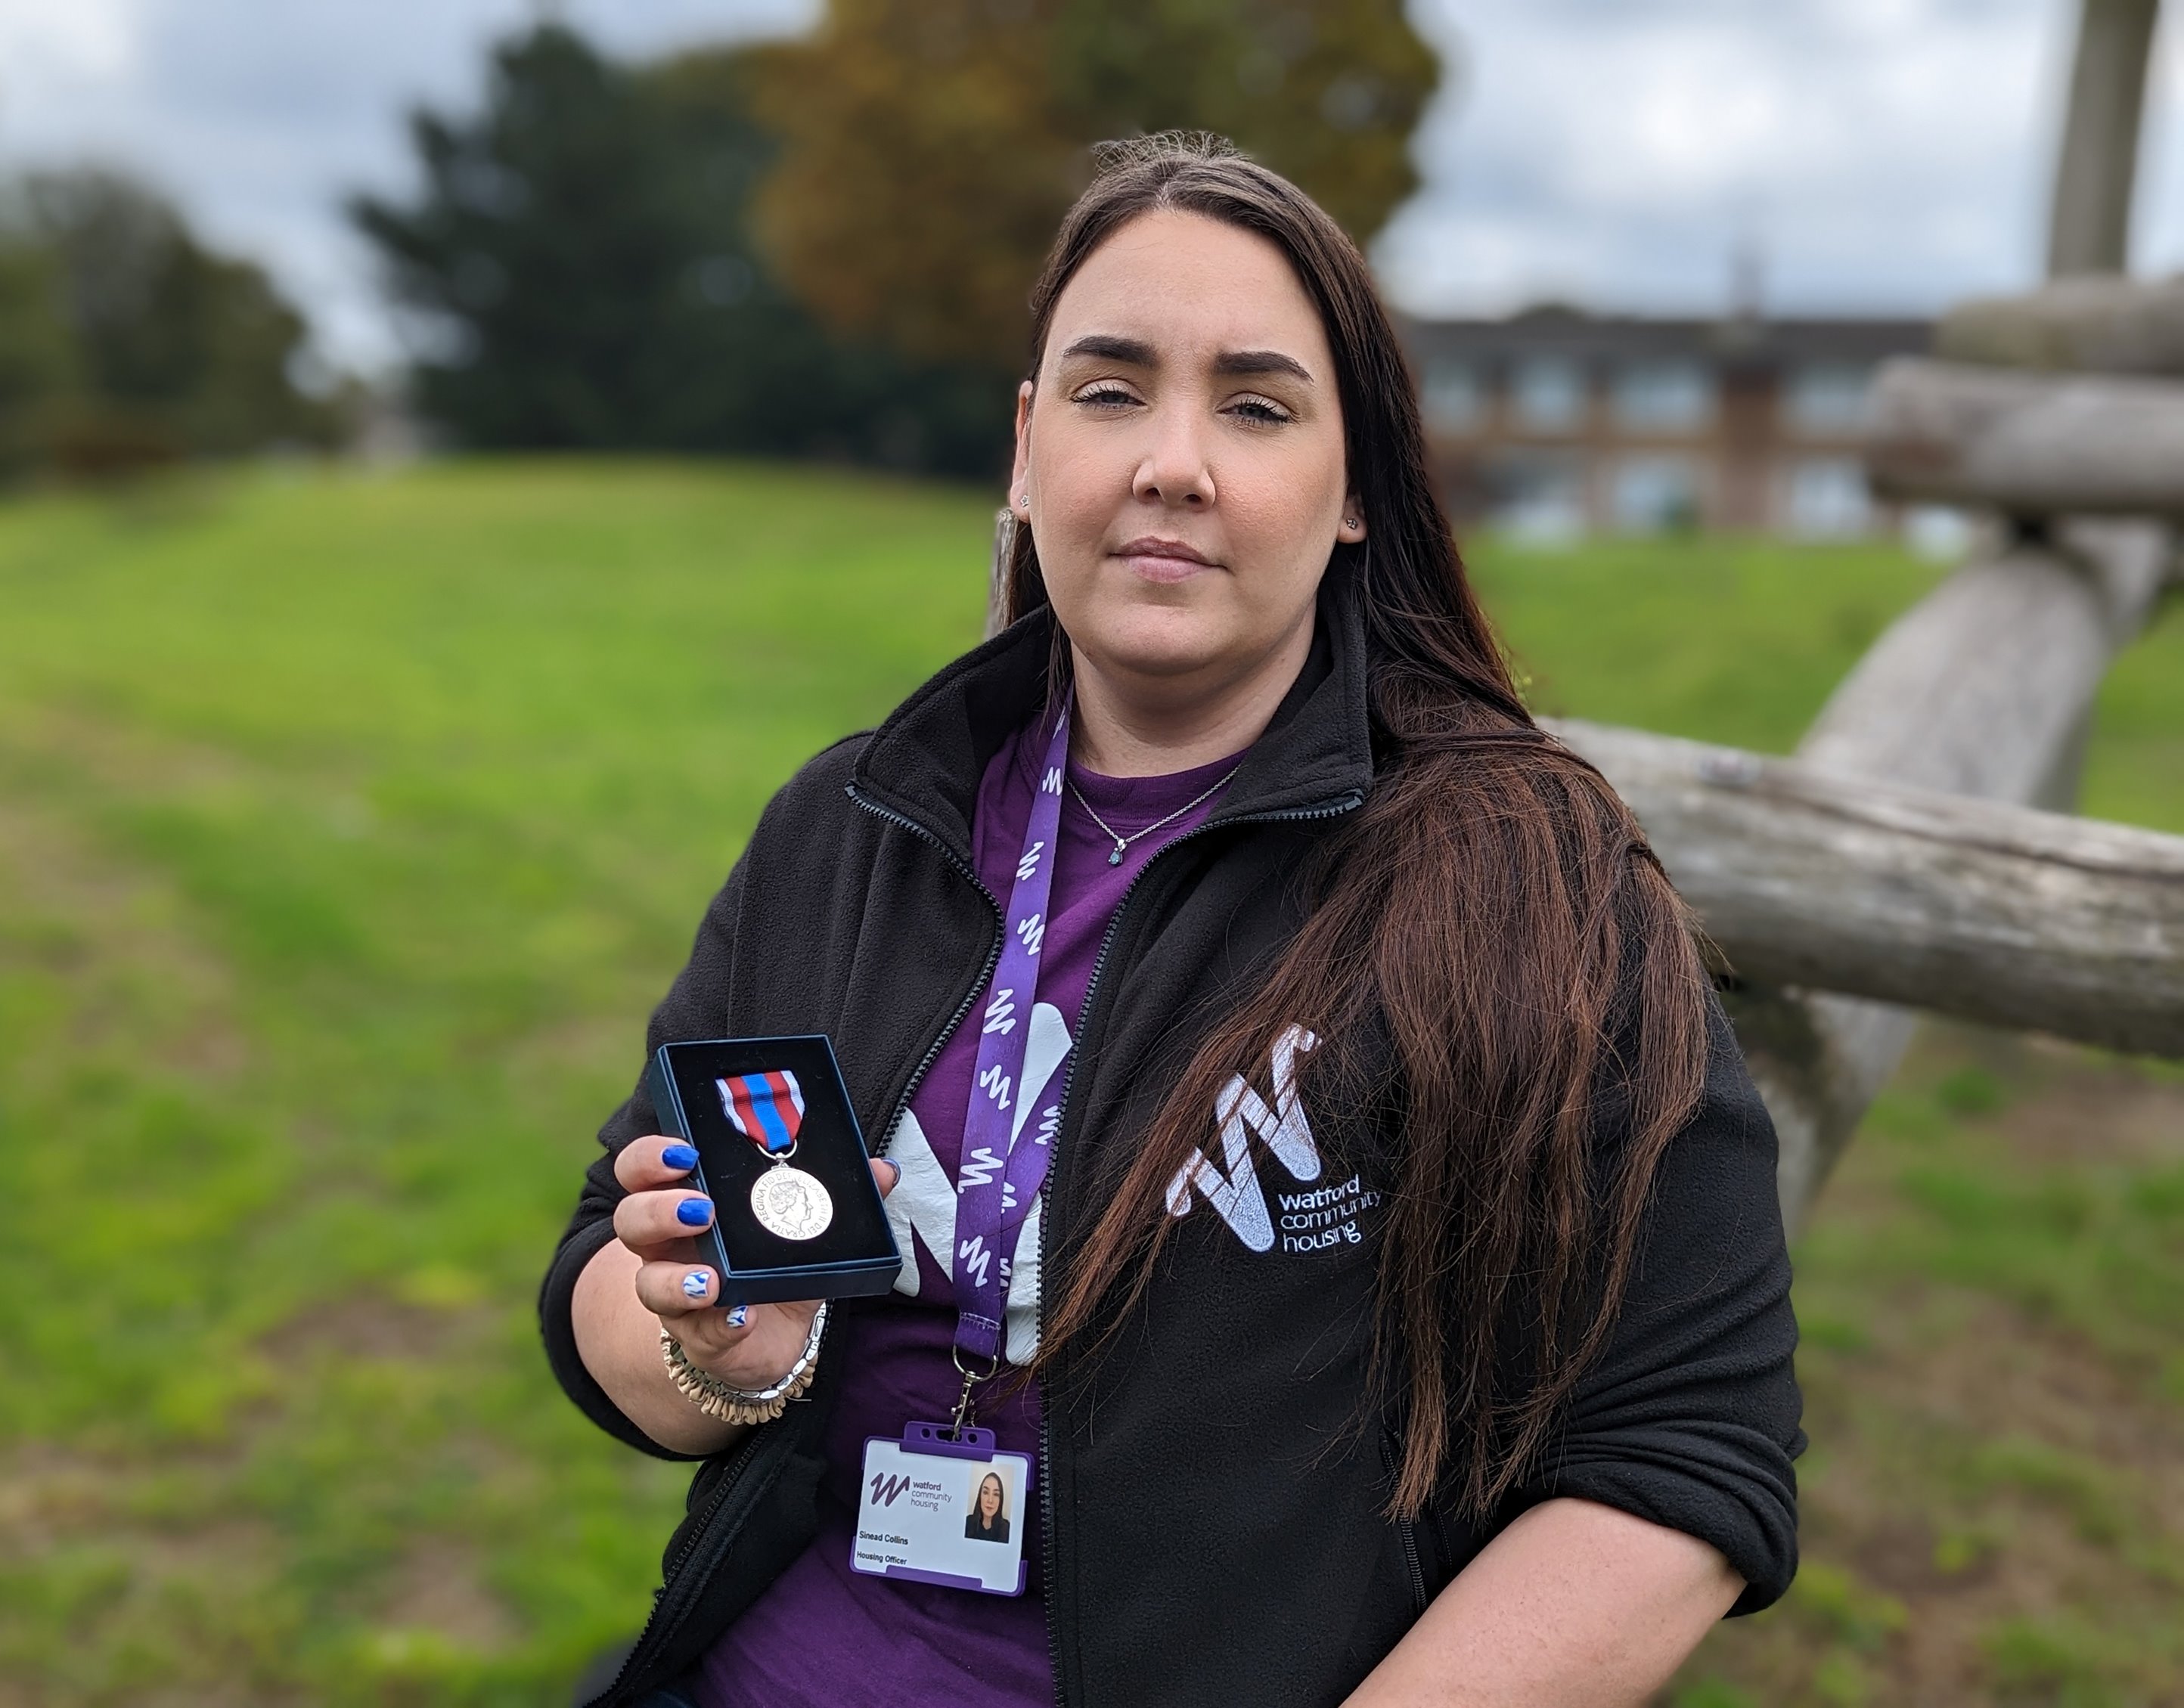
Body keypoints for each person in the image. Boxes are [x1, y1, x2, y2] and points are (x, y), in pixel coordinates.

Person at [541, 132, 1803, 1708]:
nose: (1173, 462)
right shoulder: (850, 827)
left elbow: (1686, 1446)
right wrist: (716, 1355)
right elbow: (609, 1256)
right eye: (1111, 387)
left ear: (1356, 494)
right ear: (1025, 448)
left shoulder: (1530, 886)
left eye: (1259, 406)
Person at [966, 1471, 1013, 1544]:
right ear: (980, 1496)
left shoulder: (1007, 1530)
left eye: (996, 1494)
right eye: (985, 1492)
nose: (990, 1500)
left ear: (1000, 1500)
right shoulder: (967, 1523)